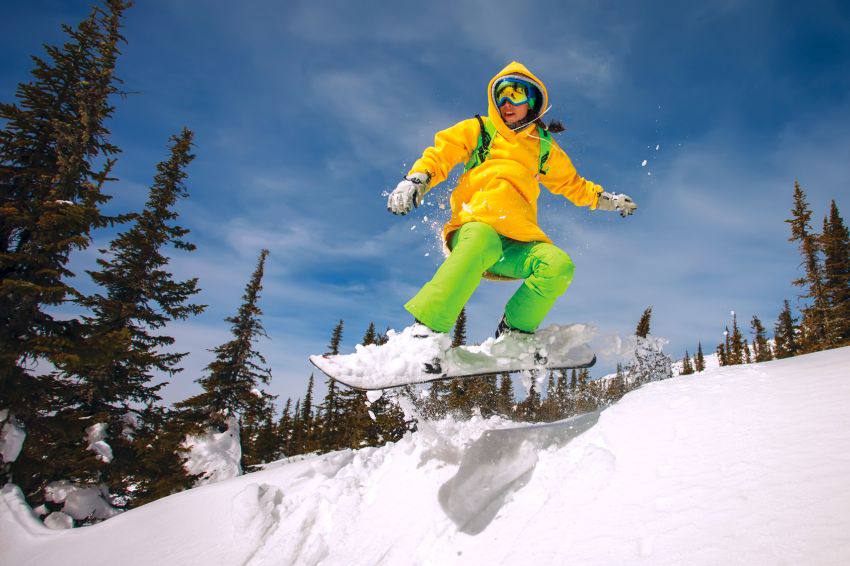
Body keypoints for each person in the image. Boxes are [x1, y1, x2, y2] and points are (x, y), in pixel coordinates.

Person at [387, 62, 636, 340]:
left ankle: (513, 333)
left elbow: (571, 184)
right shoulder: (480, 129)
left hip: (516, 244)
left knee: (557, 265)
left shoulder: (543, 146)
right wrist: (418, 179)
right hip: (475, 232)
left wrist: (608, 201)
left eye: (516, 94)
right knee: (483, 238)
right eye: (502, 95)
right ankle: (426, 332)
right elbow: (442, 153)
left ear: (532, 100)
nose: (507, 103)